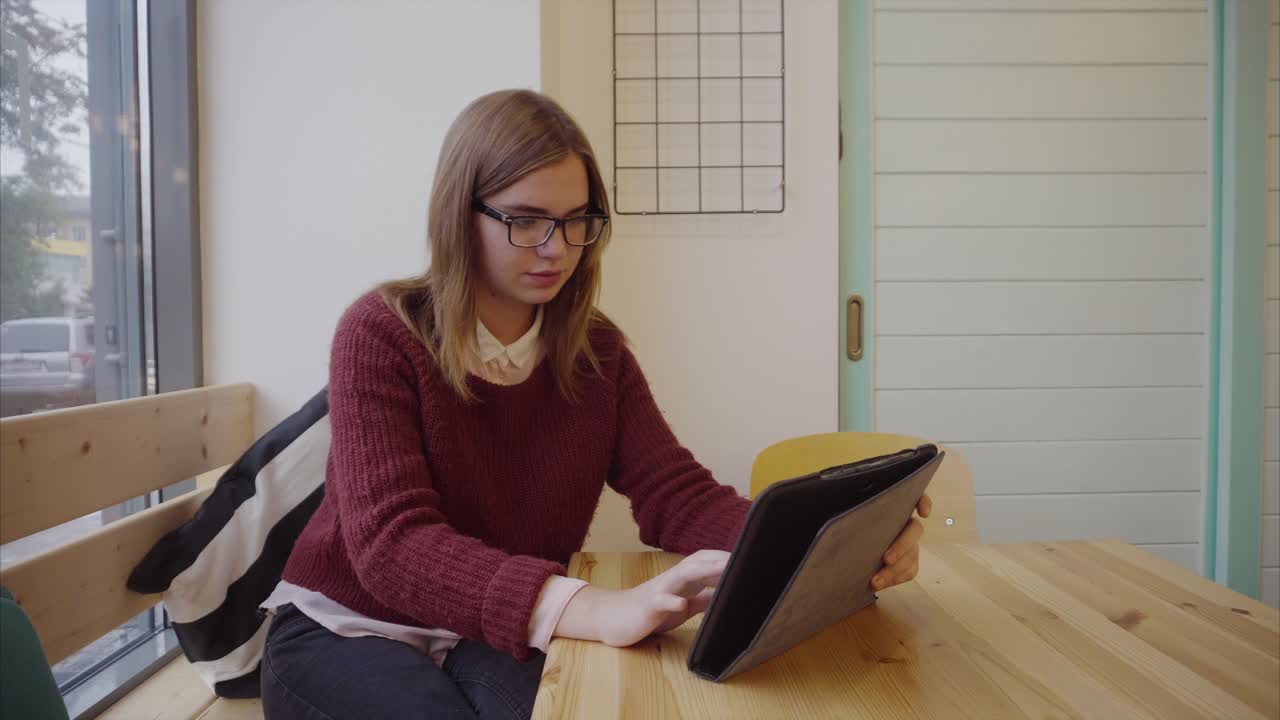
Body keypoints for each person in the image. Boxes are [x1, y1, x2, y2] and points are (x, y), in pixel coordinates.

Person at [258, 89, 931, 720]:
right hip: (345, 623)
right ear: (460, 214)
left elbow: (676, 494)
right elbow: (393, 545)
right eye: (525, 221)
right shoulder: (380, 333)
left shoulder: (596, 351)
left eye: (576, 221)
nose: (557, 249)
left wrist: (832, 546)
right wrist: (593, 606)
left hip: (493, 629)